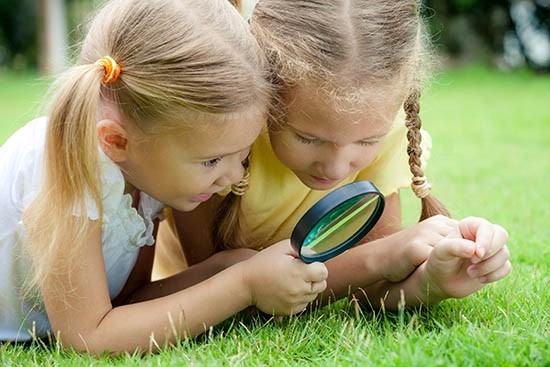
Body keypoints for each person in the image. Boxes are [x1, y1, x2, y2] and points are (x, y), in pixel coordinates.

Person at [0, 0, 329, 354]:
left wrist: (230, 265)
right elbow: (88, 338)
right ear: (115, 141)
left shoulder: (147, 172)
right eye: (212, 160)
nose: (233, 177)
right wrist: (243, 285)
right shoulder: (66, 166)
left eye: (242, 155)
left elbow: (130, 302)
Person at [152, 0, 511, 310]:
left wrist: (429, 278)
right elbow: (224, 292)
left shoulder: (390, 132)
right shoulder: (221, 140)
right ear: (265, 89)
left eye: (368, 140)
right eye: (307, 138)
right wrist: (383, 257)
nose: (337, 168)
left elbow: (366, 290)